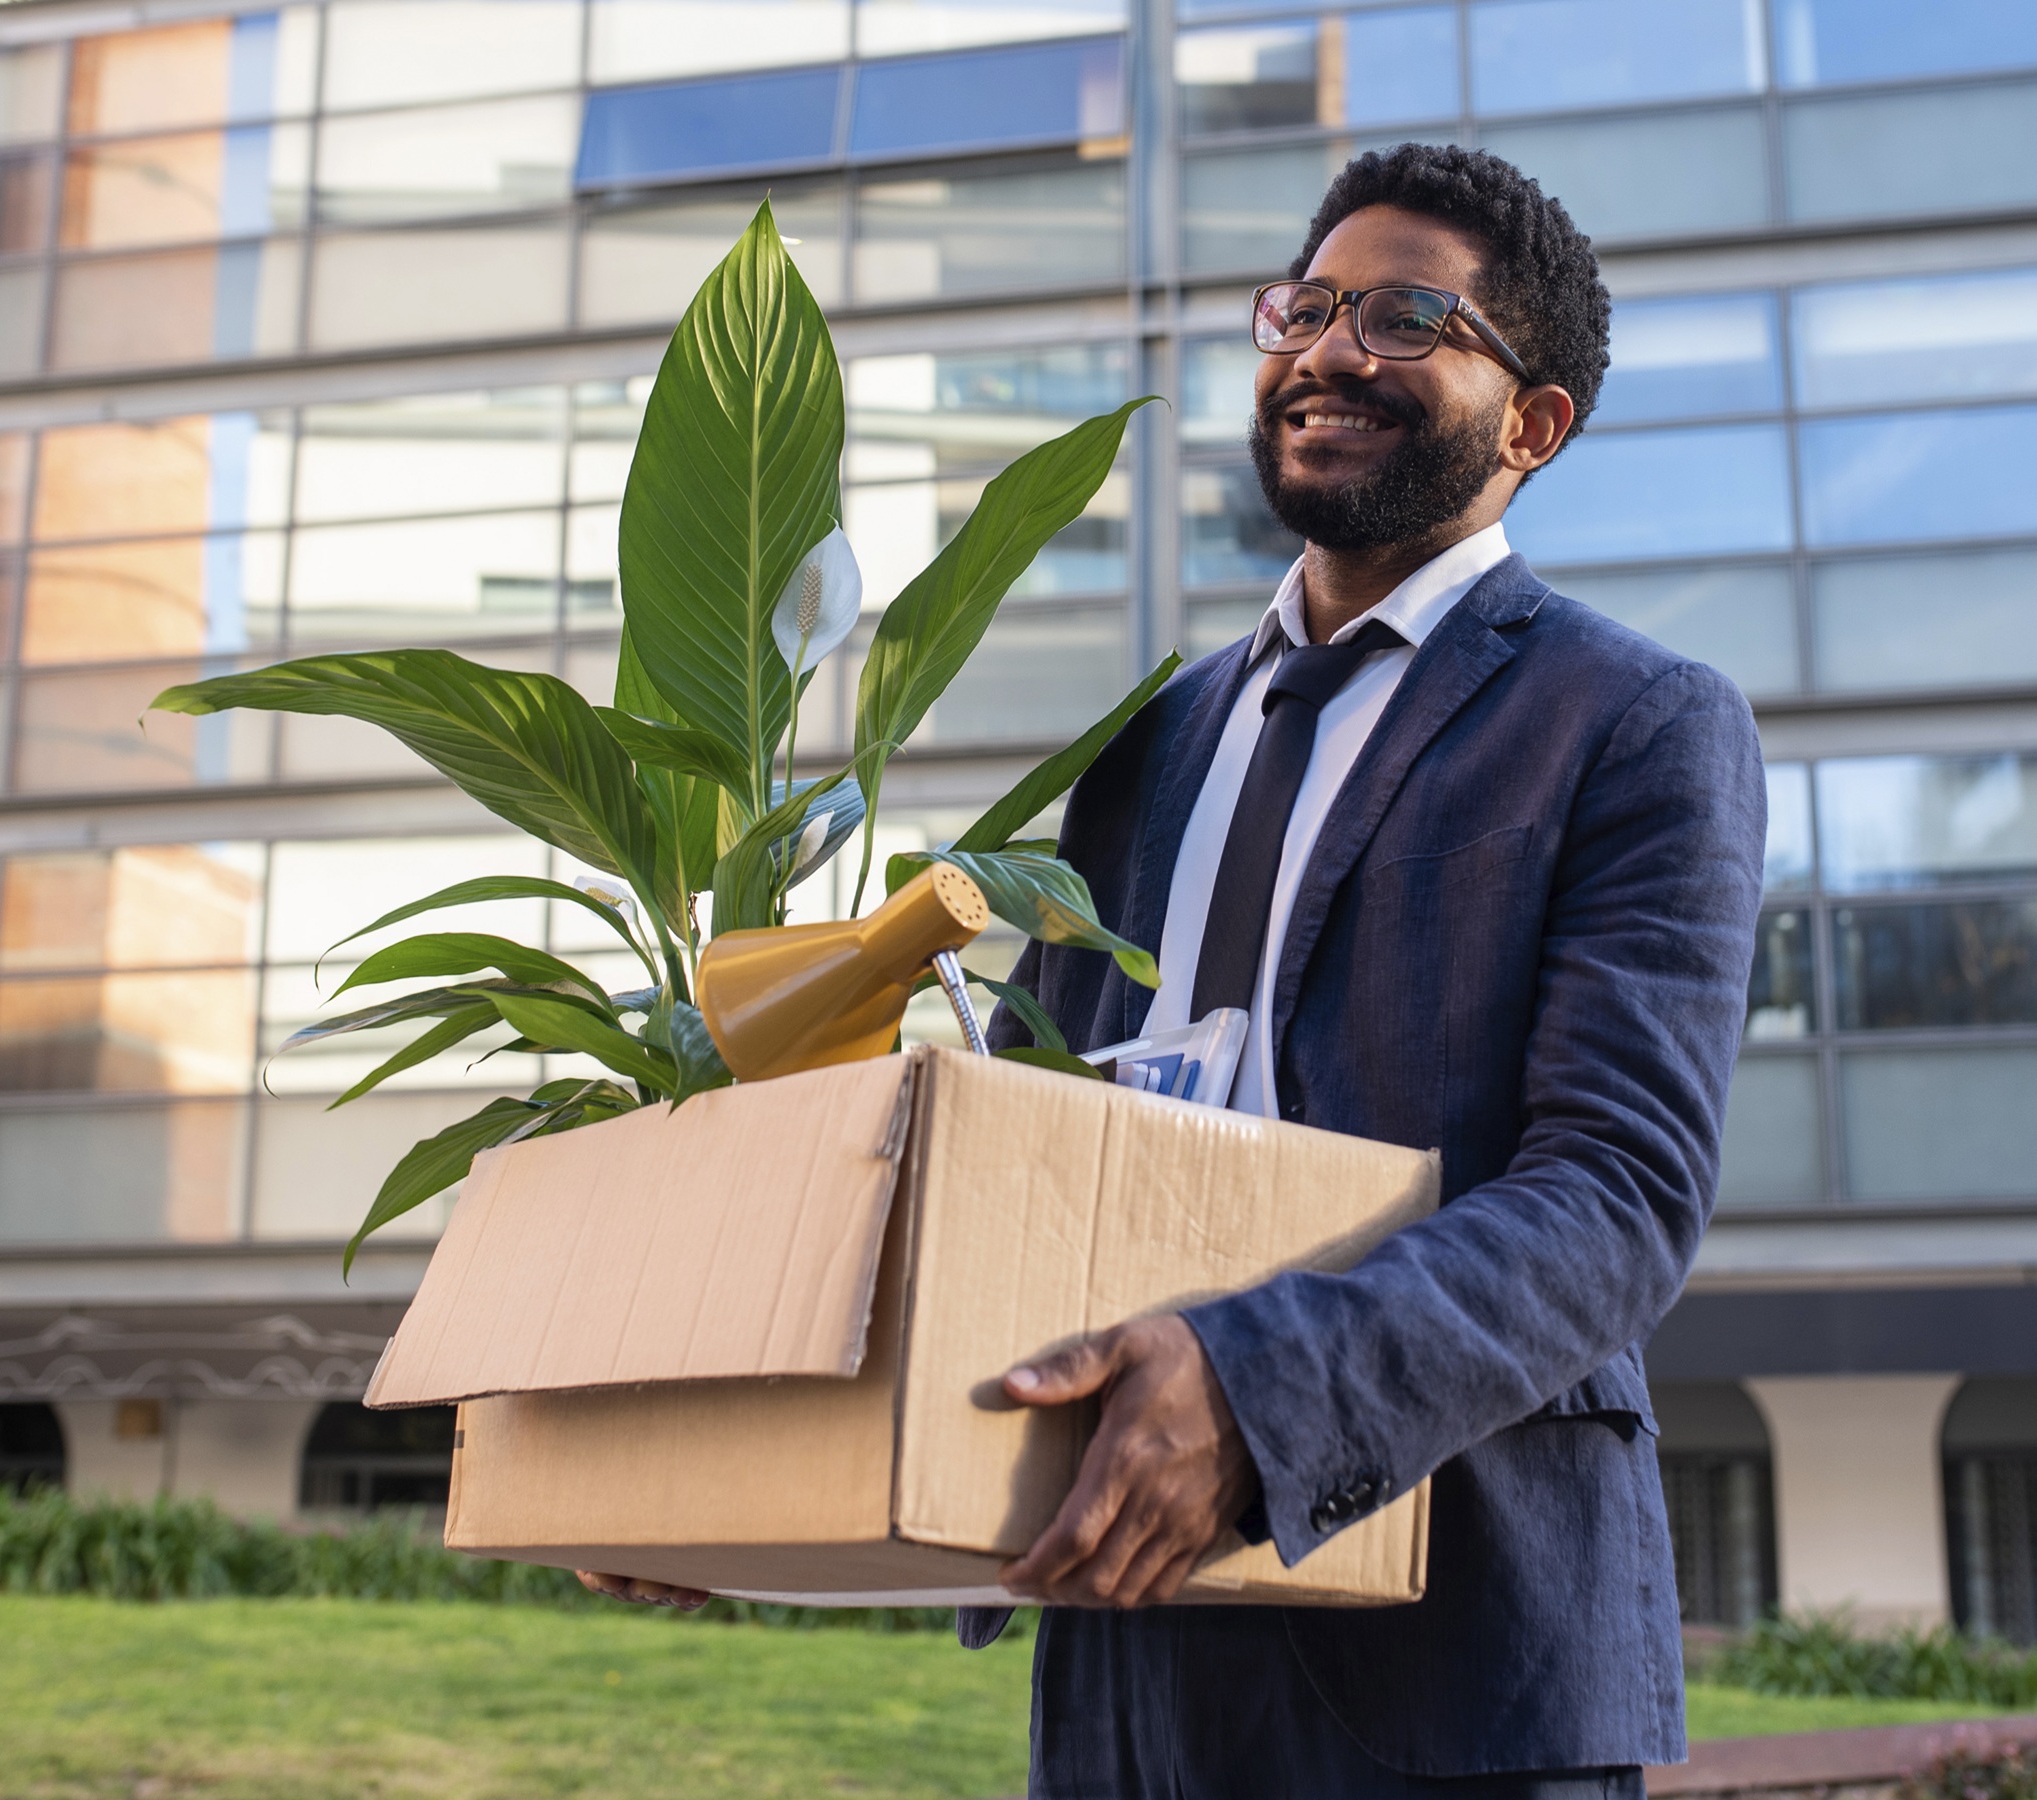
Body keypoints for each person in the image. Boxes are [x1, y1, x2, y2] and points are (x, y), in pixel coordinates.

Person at [589, 144, 1766, 1799]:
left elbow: (1620, 1194)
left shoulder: (1634, 723)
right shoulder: (1149, 745)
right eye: (1310, 305)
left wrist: (1255, 1388)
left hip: (1457, 1646)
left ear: (1534, 424)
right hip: (1125, 1649)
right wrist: (719, 1459)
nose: (1333, 348)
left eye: (1411, 316)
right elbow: (999, 1158)